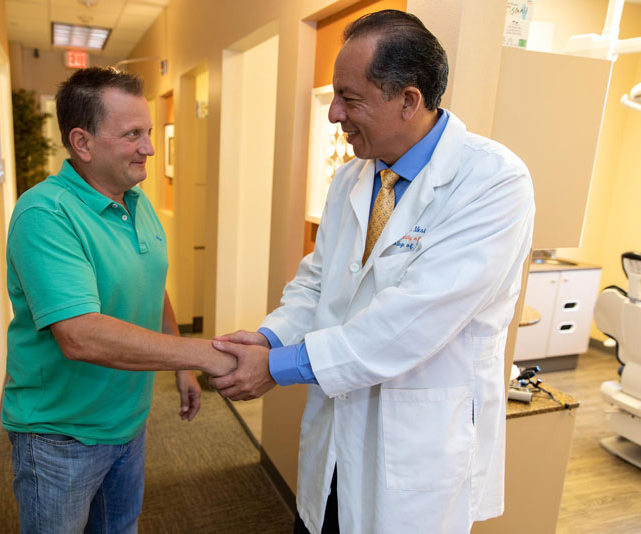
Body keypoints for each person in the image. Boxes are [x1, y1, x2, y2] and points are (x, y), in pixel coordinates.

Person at [210, 10, 535, 534]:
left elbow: (410, 323)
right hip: (337, 433)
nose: (335, 112)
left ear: (408, 100)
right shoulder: (351, 180)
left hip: (414, 450)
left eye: (349, 97)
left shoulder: (492, 183)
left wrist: (276, 366)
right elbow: (317, 282)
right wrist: (269, 338)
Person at [2, 67, 235, 534]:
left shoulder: (135, 199)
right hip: (60, 437)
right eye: (133, 135)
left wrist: (180, 367)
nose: (149, 147)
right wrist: (208, 354)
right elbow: (81, 335)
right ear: (82, 143)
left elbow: (151, 282)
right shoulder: (44, 214)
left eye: (147, 131)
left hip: (129, 423)